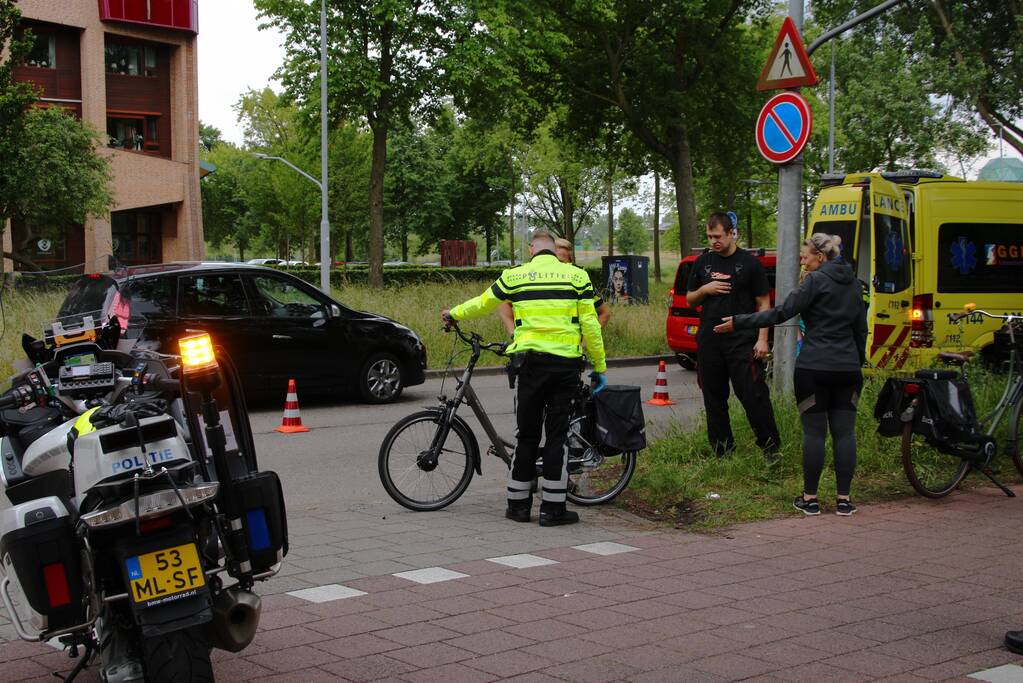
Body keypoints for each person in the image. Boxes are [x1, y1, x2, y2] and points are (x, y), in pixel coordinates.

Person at [442, 231, 606, 527]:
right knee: (557, 436)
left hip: (529, 366)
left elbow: (483, 302)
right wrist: (601, 366)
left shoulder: (515, 276)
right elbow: (591, 325)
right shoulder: (577, 277)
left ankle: (518, 506)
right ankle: (553, 511)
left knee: (526, 435)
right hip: (564, 366)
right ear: (555, 250)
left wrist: (453, 313)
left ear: (532, 249)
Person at [714, 233, 867, 516]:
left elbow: (782, 312)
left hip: (814, 368)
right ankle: (844, 500)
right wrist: (858, 361)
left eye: (806, 255)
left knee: (814, 433)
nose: (802, 260)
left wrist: (739, 322)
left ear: (820, 257)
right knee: (845, 434)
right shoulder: (855, 285)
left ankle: (810, 499)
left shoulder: (814, 281)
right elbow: (861, 329)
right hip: (848, 369)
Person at [686, 212, 781, 458]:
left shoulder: (749, 263)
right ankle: (723, 451)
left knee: (753, 394)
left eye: (718, 236)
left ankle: (770, 448)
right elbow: (689, 300)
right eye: (709, 236)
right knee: (713, 397)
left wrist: (762, 339)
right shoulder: (702, 263)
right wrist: (704, 289)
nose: (713, 241)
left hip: (742, 339)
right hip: (709, 339)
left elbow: (764, 303)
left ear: (731, 233)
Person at [498, 237, 610, 334]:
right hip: (530, 349)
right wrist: (513, 332)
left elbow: (604, 313)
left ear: (571, 262)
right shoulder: (530, 281)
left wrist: (585, 342)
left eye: (561, 262)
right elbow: (503, 303)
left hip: (568, 350)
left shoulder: (579, 281)